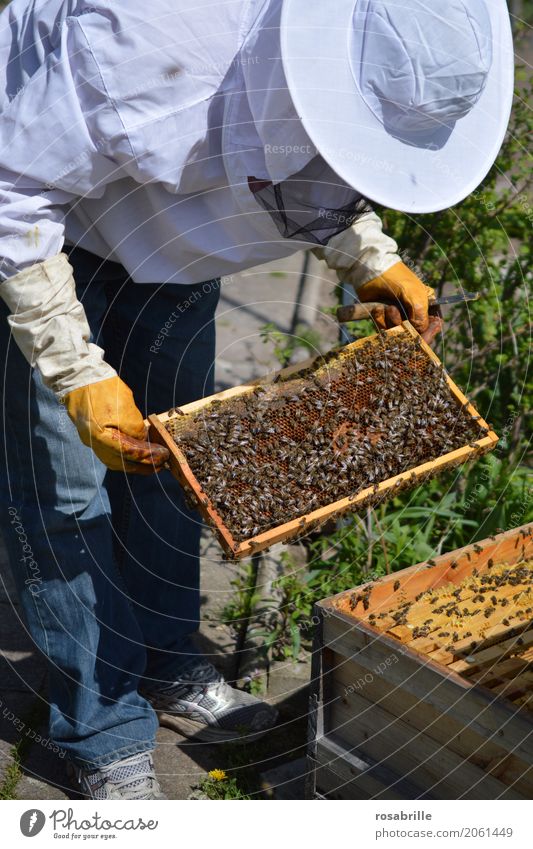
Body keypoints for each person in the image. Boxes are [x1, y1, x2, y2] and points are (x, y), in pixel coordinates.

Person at [0, 0, 513, 799]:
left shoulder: (338, 48)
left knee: (179, 458)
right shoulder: (142, 33)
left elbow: (317, 152)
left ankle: (169, 662)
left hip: (176, 236)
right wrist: (76, 372)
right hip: (42, 228)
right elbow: (12, 188)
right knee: (63, 488)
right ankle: (101, 726)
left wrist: (367, 255)